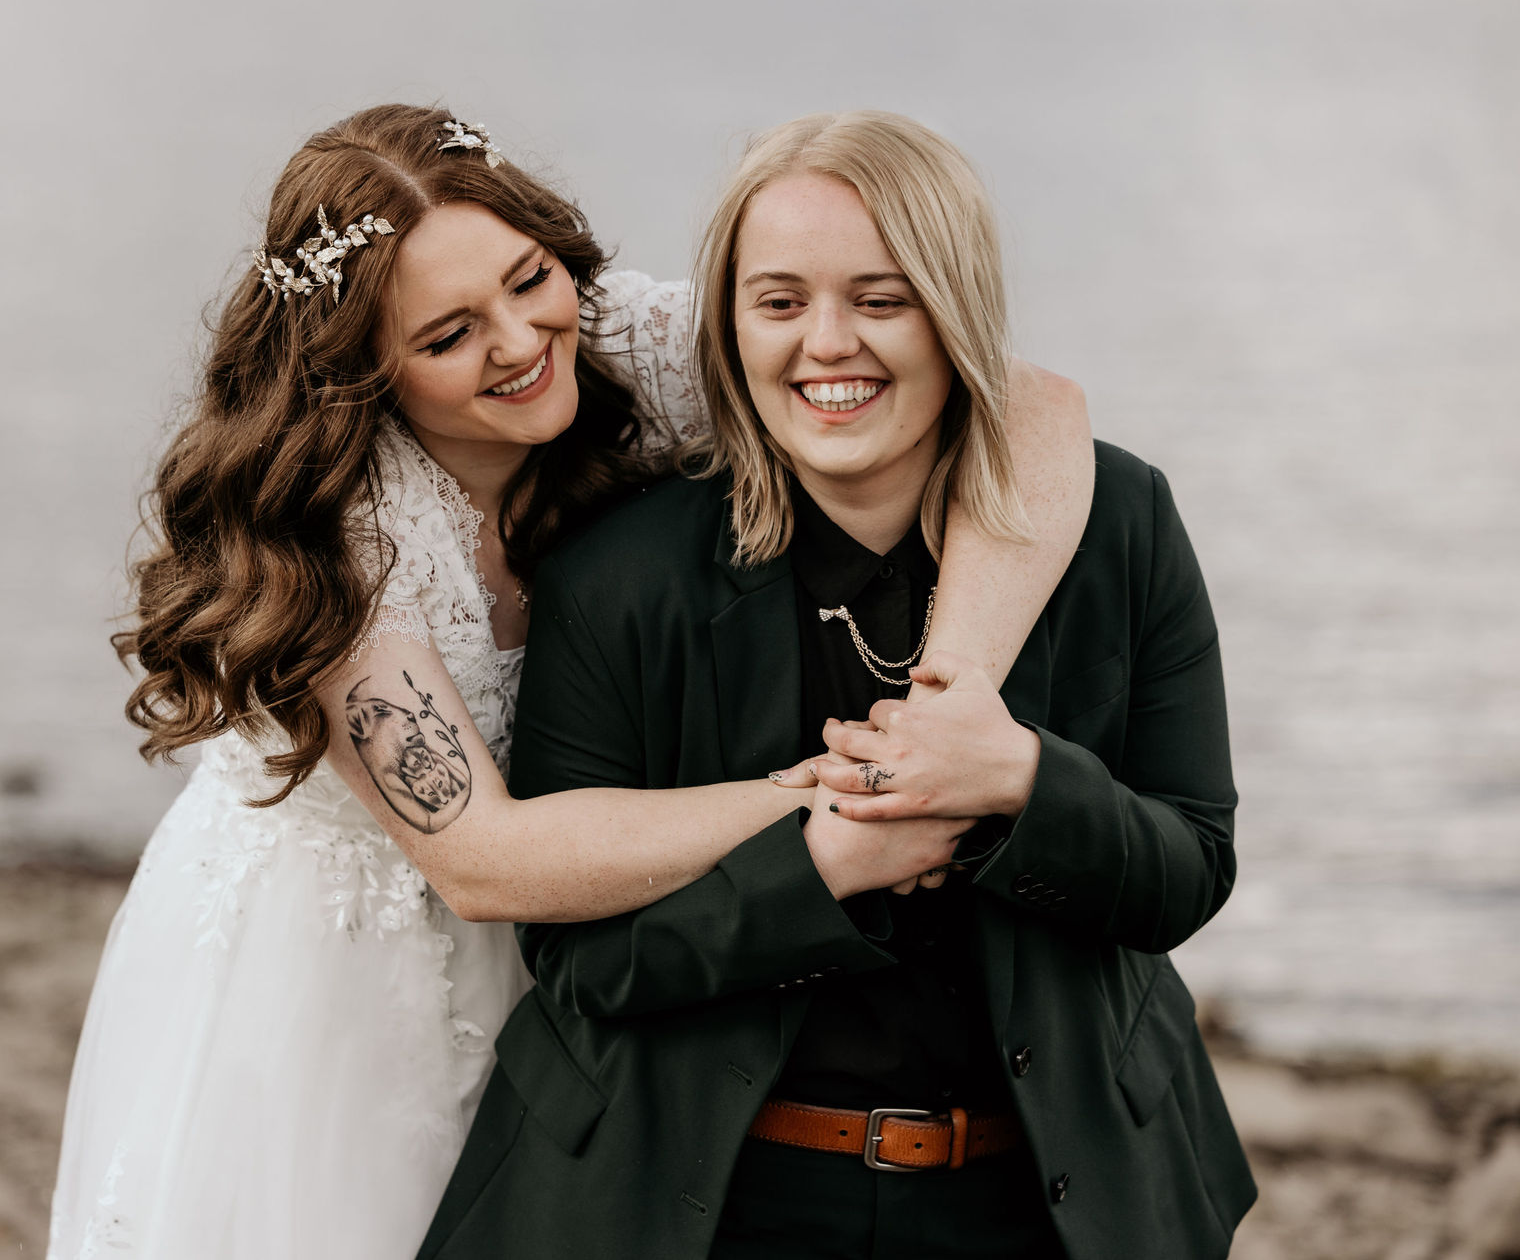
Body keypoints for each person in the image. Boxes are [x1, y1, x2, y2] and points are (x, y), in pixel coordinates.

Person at [47, 104, 1095, 1260]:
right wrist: (843, 796)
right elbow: (483, 862)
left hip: (581, 940)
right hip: (332, 980)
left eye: (526, 277)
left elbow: (1033, 407)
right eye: (447, 336)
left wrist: (947, 705)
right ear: (360, 373)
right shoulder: (338, 541)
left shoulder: (611, 340)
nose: (517, 341)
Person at [417, 111, 1254, 1260]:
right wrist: (817, 869)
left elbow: (1188, 867)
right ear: (728, 324)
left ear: (951, 308)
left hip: (1046, 1205)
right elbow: (577, 962)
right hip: (716, 1202)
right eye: (778, 301)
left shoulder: (1118, 523)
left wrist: (1020, 780)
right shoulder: (622, 574)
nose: (826, 344)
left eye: (879, 298)